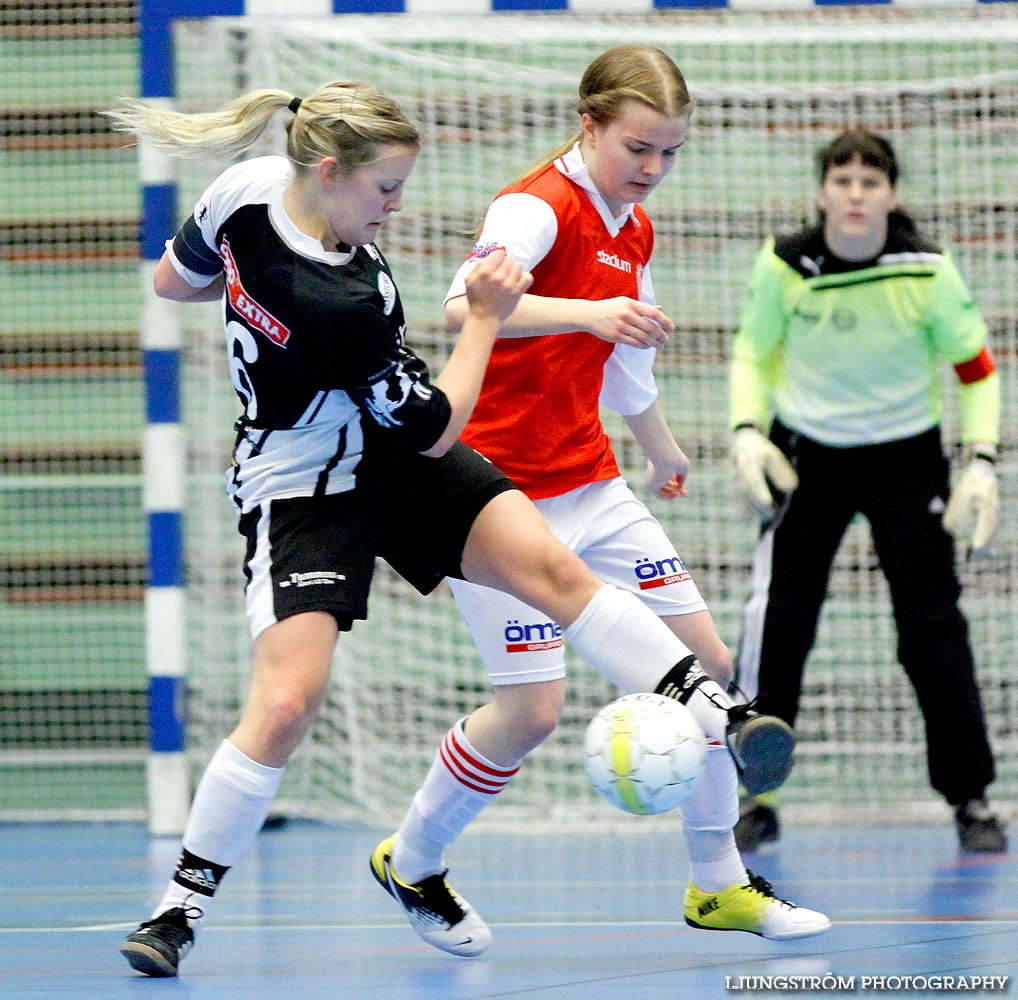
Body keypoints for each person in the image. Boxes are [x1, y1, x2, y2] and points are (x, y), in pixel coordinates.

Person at [103, 79, 800, 978]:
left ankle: (720, 709)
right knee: (285, 703)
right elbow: (439, 422)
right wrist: (486, 317)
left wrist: (259, 314)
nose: (397, 207)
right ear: (326, 171)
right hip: (304, 483)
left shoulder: (242, 191)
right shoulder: (345, 294)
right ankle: (179, 906)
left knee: (553, 572)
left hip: (400, 462)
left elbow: (177, 280)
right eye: (386, 189)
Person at [370, 45, 830, 958]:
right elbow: (467, 307)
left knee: (709, 662)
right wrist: (586, 309)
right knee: (533, 713)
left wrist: (660, 448)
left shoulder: (633, 224)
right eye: (638, 148)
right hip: (492, 500)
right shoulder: (535, 206)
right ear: (589, 125)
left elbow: (627, 355)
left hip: (592, 480)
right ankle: (411, 858)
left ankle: (718, 885)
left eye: (670, 154)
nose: (653, 170)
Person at [728, 127, 1007, 854]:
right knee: (780, 625)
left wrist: (981, 459)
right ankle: (755, 796)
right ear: (822, 192)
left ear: (890, 194)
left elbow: (977, 370)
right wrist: (745, 431)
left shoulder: (928, 271)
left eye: (870, 181)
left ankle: (971, 798)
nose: (855, 194)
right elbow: (754, 353)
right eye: (842, 180)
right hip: (805, 459)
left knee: (932, 630)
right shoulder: (786, 265)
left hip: (906, 462)